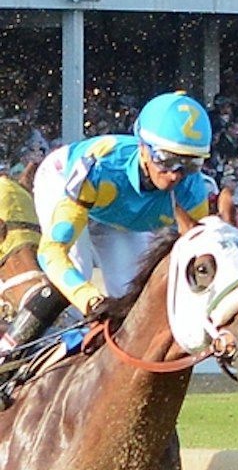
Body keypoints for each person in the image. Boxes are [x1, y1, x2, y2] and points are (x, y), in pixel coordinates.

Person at [2, 93, 217, 363]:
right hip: (64, 180)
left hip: (117, 216)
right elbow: (52, 251)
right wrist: (89, 300)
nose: (176, 174)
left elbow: (199, 258)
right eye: (166, 159)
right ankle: (8, 353)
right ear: (143, 147)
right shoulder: (100, 168)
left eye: (190, 163)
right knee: (74, 272)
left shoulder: (193, 190)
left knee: (130, 293)